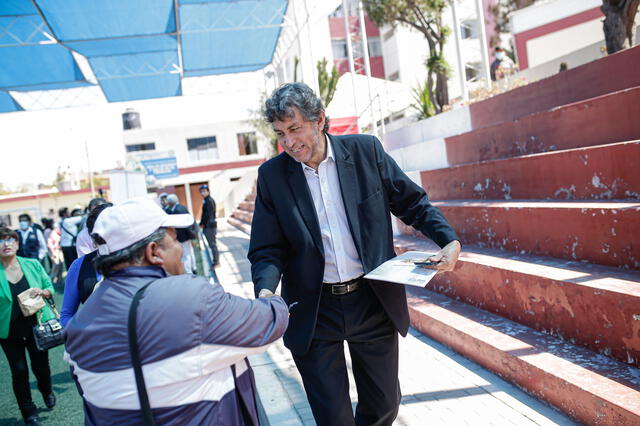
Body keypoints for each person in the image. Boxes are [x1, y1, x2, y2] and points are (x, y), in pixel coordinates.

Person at [248, 82, 461, 425]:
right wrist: (265, 291)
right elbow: (266, 247)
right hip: (315, 310)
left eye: (294, 129)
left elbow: (411, 202)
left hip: (372, 299)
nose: (288, 142)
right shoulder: (272, 176)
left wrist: (447, 239)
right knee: (333, 418)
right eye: (280, 133)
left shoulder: (365, 152)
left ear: (319, 120)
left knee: (384, 406)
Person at [63, 198, 289, 424]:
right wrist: (271, 298)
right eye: (173, 238)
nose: (180, 247)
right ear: (154, 252)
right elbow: (267, 322)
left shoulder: (78, 326)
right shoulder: (191, 299)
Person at [0, 227, 57, 426]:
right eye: (1, 240)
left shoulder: (32, 264)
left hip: (36, 326)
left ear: (17, 244)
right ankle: (28, 412)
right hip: (8, 332)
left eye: (10, 240)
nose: (6, 244)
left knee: (41, 367)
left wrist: (43, 292)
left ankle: (46, 389)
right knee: (19, 371)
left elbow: (49, 287)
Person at [60, 202, 112, 327]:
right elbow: (66, 314)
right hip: (97, 340)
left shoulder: (137, 258)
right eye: (97, 233)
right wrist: (82, 332)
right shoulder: (79, 265)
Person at [165, 194, 196, 274]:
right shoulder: (179, 207)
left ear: (171, 202)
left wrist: (191, 236)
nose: (167, 203)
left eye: (168, 201)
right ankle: (193, 267)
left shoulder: (178, 210)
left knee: (186, 254)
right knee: (189, 252)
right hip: (185, 236)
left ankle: (189, 272)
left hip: (184, 236)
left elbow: (186, 225)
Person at [199, 184, 220, 266]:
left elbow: (207, 215)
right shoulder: (206, 200)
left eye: (204, 191)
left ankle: (216, 262)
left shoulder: (209, 200)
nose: (202, 193)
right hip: (208, 226)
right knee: (212, 245)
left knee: (213, 245)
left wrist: (202, 223)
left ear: (208, 191)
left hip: (210, 227)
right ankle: (215, 261)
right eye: (201, 192)